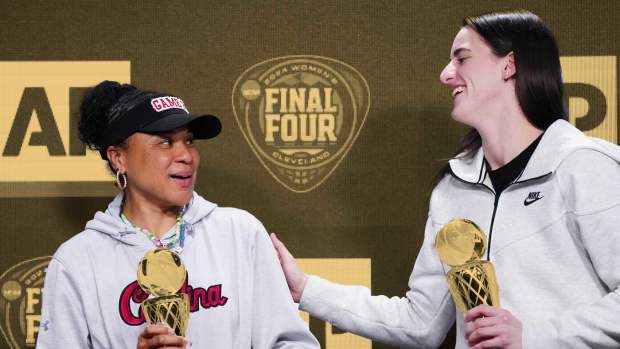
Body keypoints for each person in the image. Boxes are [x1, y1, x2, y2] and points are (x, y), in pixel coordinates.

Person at [270, 10, 620, 349]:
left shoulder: (584, 165)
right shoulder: (453, 189)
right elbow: (421, 323)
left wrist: (535, 337)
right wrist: (305, 289)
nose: (445, 74)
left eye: (462, 59)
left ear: (508, 65)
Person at [36, 81, 320, 349]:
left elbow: (294, 344)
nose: (186, 155)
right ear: (118, 158)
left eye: (189, 141)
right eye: (165, 142)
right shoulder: (76, 261)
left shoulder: (239, 232)